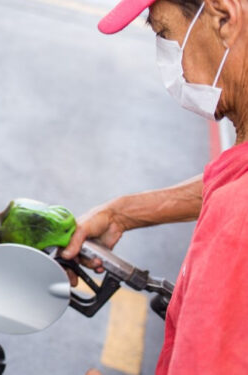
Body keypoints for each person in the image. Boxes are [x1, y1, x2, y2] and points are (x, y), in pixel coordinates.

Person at [63, 0, 248, 373]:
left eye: (165, 33)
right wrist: (123, 213)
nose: (169, 63)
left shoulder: (235, 225)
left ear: (223, 17)